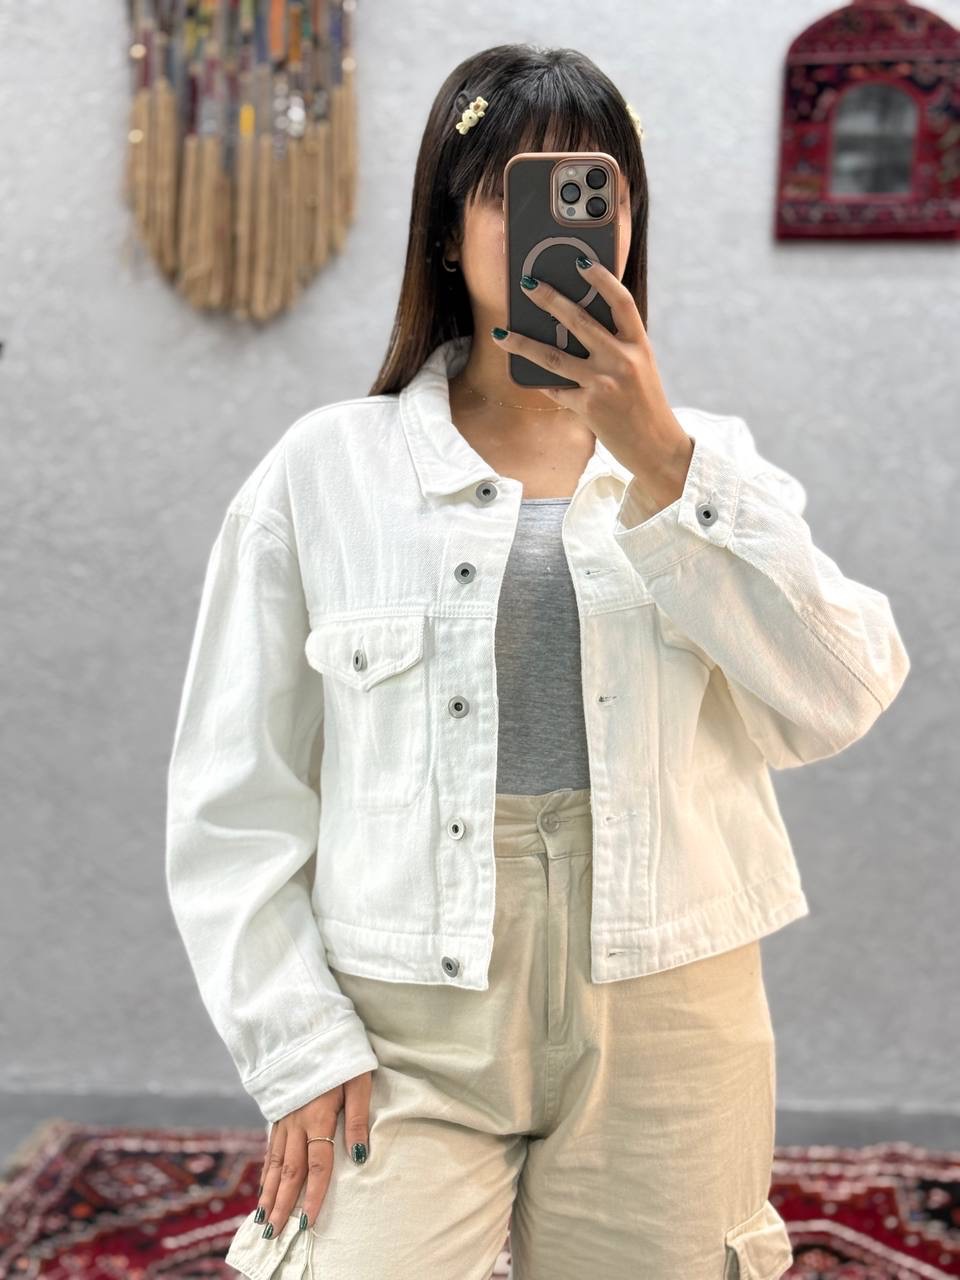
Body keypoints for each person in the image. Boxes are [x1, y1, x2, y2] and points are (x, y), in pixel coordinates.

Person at [165, 43, 910, 1280]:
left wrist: (664, 461)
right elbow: (231, 797)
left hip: (669, 1007)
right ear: (446, 230)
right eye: (516, 191)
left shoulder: (706, 463)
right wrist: (296, 1041)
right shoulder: (326, 470)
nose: (560, 225)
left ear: (628, 224)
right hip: (404, 1018)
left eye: (592, 192)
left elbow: (843, 692)